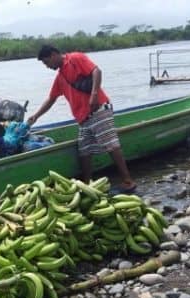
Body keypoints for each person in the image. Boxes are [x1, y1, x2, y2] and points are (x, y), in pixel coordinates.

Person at [27, 45, 136, 192]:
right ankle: (86, 185)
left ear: (53, 55)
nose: (47, 67)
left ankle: (128, 181)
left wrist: (94, 94)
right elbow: (51, 99)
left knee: (111, 145)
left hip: (98, 110)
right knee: (84, 151)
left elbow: (96, 71)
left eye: (47, 63)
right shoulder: (60, 78)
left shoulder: (75, 58)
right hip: (83, 118)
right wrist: (36, 116)